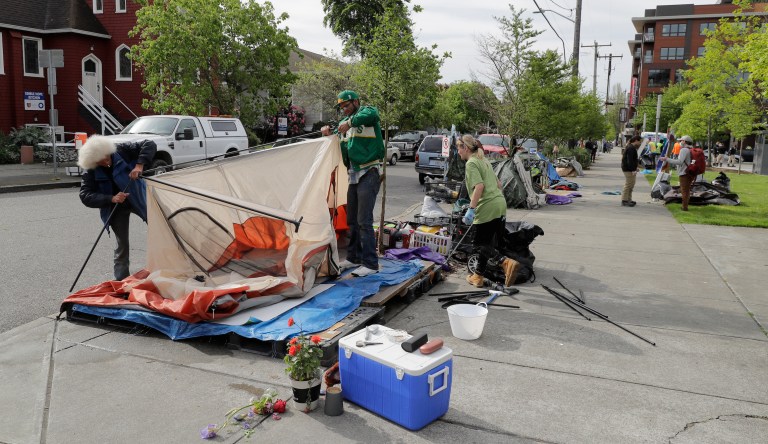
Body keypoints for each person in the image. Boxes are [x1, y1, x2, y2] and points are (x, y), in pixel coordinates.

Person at [321, 90, 385, 277]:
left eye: (347, 105)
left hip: (369, 171)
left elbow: (372, 114)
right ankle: (353, 257)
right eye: (342, 108)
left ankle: (371, 264)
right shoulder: (344, 125)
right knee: (352, 220)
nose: (344, 110)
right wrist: (327, 134)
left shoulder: (368, 113)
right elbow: (338, 143)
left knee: (364, 220)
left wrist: (348, 123)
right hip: (354, 174)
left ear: (356, 101)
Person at [78, 135, 157, 280]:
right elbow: (85, 195)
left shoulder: (121, 150)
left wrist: (139, 165)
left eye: (107, 157)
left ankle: (170, 267)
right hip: (115, 207)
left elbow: (149, 144)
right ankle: (122, 281)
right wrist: (111, 198)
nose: (106, 162)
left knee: (161, 228)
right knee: (122, 245)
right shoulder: (90, 170)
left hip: (137, 197)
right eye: (100, 161)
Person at [457, 134, 519, 287]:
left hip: (487, 206)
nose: (457, 152)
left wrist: (471, 209)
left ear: (465, 148)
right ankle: (477, 276)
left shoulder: (471, 163)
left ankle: (505, 263)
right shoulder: (484, 160)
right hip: (499, 204)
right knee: (487, 244)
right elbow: (498, 184)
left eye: (458, 148)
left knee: (477, 244)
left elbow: (479, 187)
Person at [660, 135, 694, 211]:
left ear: (684, 141)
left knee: (684, 190)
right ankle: (685, 205)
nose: (679, 142)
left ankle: (684, 207)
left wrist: (667, 159)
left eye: (680, 141)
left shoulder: (684, 150)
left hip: (684, 173)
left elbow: (679, 162)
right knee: (687, 190)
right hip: (690, 172)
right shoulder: (691, 149)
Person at [621, 135, 641, 207]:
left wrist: (635, 168)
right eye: (639, 141)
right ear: (636, 140)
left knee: (631, 185)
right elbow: (630, 160)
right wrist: (633, 169)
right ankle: (624, 200)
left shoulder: (630, 147)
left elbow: (632, 160)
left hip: (629, 168)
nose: (639, 143)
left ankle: (628, 199)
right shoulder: (631, 148)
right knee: (628, 184)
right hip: (628, 169)